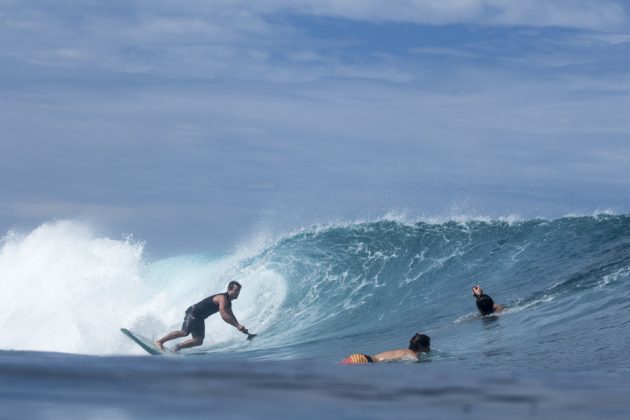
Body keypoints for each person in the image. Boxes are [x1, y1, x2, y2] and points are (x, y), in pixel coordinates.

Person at [155, 281, 254, 353]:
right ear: (229, 289)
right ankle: (160, 341)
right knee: (184, 332)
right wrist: (237, 325)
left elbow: (231, 316)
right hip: (193, 312)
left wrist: (239, 326)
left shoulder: (228, 304)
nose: (238, 293)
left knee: (198, 341)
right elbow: (224, 315)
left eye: (239, 291)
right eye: (236, 291)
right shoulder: (222, 298)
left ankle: (176, 347)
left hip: (200, 317)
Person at [340, 333, 431, 364]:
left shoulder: (403, 350)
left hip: (359, 357)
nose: (429, 348)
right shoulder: (412, 355)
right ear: (421, 347)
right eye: (428, 345)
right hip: (363, 361)